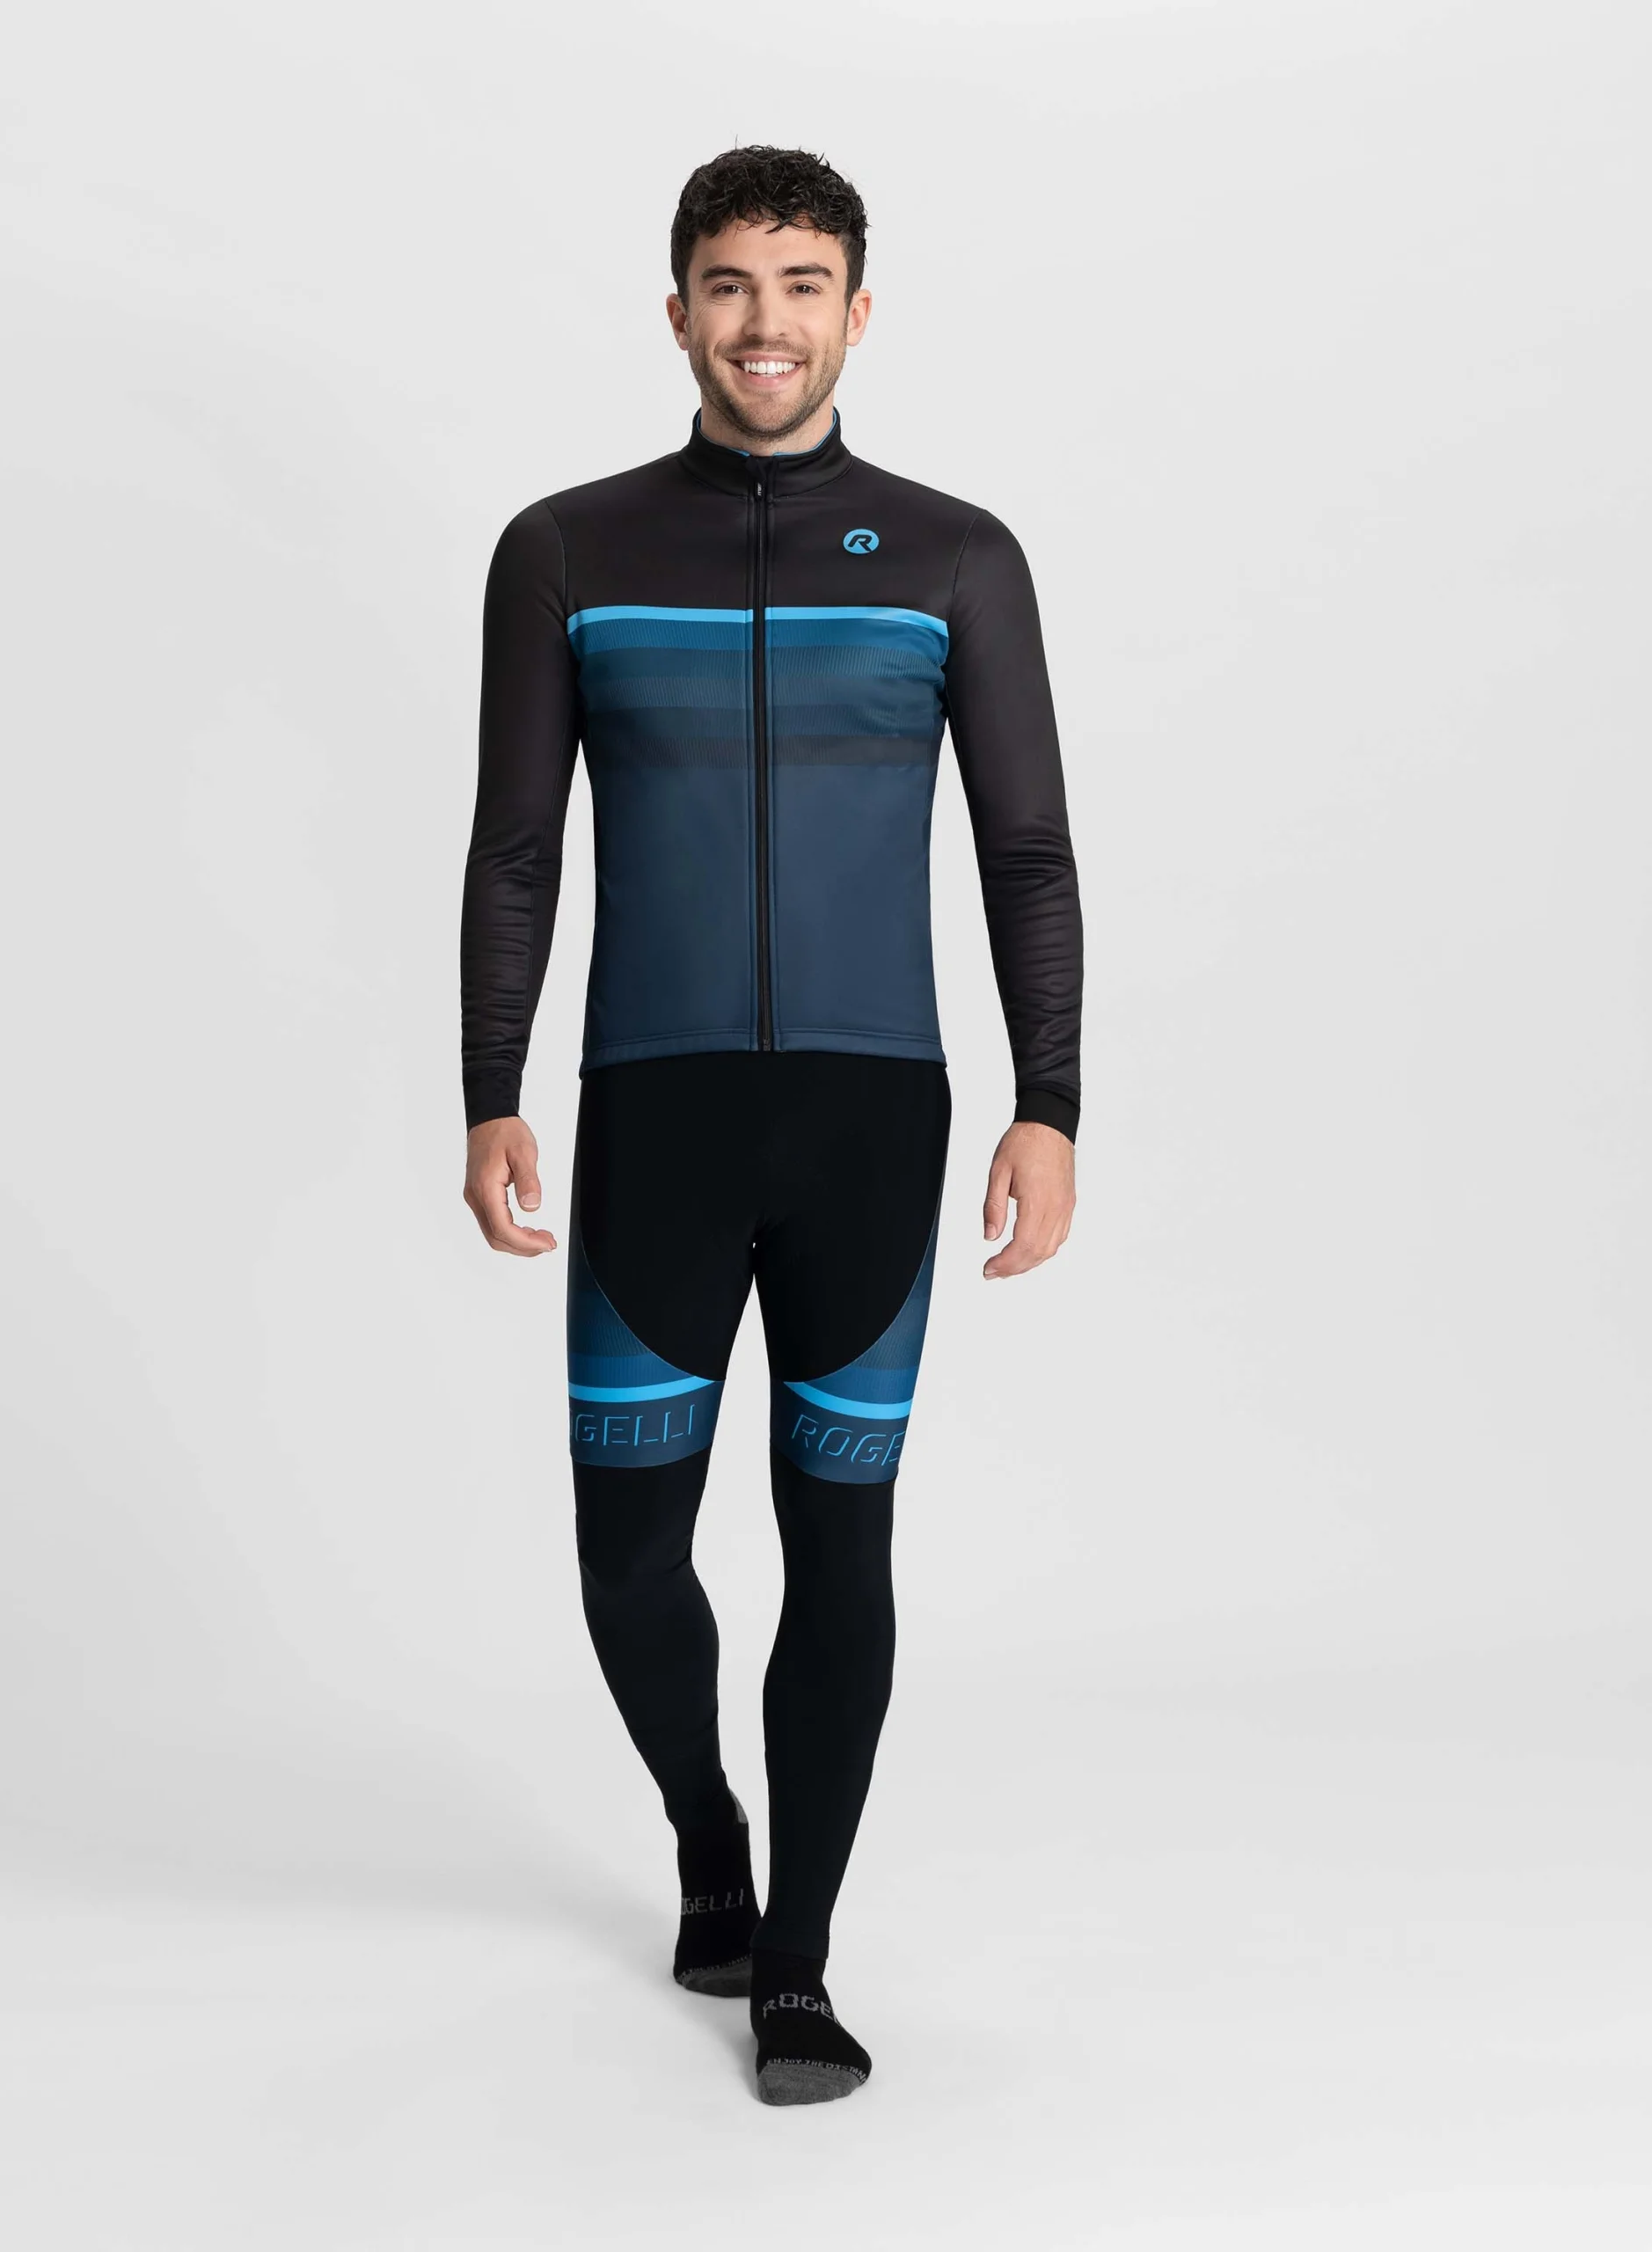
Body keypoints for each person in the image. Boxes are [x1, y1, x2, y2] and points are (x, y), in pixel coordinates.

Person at [458, 144, 1083, 2105]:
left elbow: (1026, 849)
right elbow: (514, 848)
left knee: (841, 1545)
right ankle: (703, 1825)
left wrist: (1050, 1102)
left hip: (869, 1124)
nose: (764, 322)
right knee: (626, 1558)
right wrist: (489, 1085)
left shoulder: (955, 557)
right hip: (650, 1113)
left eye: (802, 284)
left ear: (857, 315)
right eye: (729, 284)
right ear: (677, 313)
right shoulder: (567, 550)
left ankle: (794, 1956)